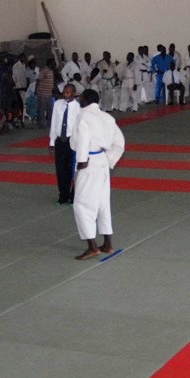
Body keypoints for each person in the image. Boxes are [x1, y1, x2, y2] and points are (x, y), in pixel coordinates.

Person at [70, 89, 125, 260]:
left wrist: (81, 163)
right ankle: (107, 243)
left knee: (80, 204)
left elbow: (83, 139)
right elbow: (119, 142)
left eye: (80, 97)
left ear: (85, 100)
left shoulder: (83, 116)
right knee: (102, 203)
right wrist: (110, 159)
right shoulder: (107, 117)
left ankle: (92, 247)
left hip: (88, 161)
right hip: (102, 160)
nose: (78, 99)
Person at [49, 83, 80, 205]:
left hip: (73, 141)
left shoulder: (78, 107)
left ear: (74, 93)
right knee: (60, 169)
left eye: (68, 92)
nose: (66, 94)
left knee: (72, 169)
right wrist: (52, 141)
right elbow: (54, 122)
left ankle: (73, 195)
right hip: (60, 140)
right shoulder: (57, 104)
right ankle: (63, 195)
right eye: (64, 92)